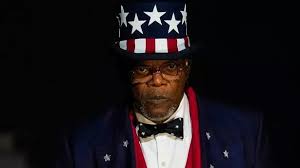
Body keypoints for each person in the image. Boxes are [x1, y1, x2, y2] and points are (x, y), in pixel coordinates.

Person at [55, 0, 269, 167]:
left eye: (170, 67)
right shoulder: (83, 146)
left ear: (186, 68)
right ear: (125, 71)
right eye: (142, 69)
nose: (156, 80)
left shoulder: (245, 135)